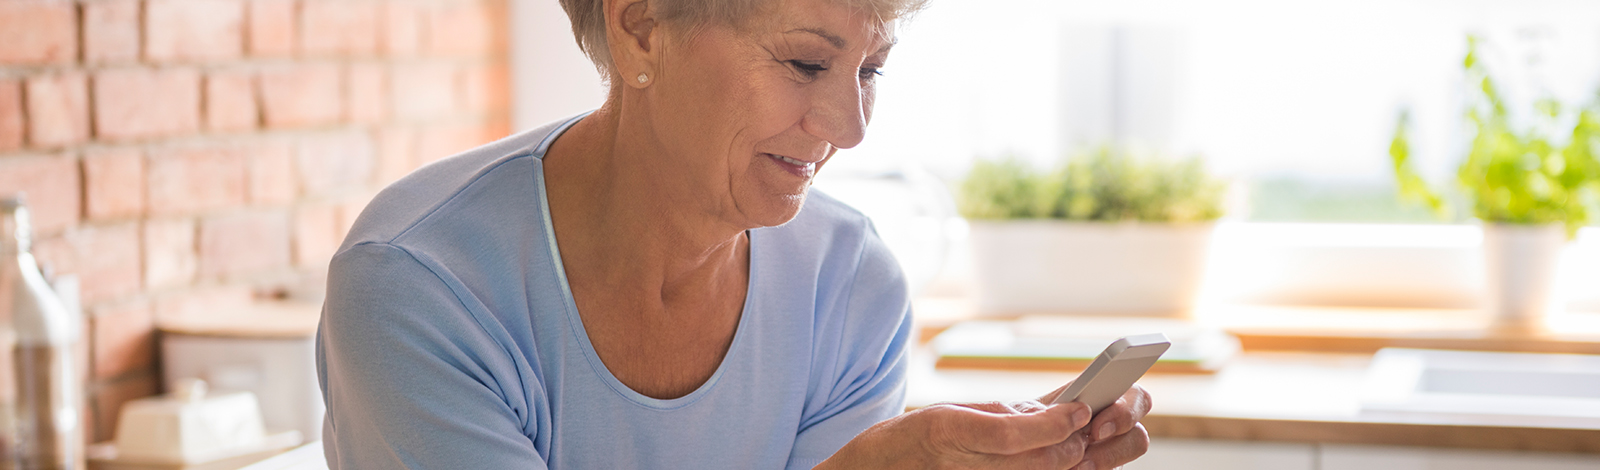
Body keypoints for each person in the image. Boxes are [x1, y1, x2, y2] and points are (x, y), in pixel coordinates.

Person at [315, 0, 1153, 467]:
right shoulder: (420, 287)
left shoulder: (849, 283)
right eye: (805, 63)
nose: (850, 127)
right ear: (640, 25)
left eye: (871, 70)